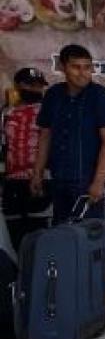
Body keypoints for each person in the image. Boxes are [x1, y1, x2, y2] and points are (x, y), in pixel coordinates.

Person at [31, 45, 105, 224]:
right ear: (63, 67)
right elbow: (45, 136)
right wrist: (37, 173)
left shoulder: (102, 97)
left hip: (87, 180)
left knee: (89, 234)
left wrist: (98, 182)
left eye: (87, 67)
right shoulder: (53, 95)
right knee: (62, 232)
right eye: (76, 67)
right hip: (59, 177)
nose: (83, 73)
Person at [1, 68, 52, 250]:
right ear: (18, 86)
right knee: (15, 234)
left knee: (40, 234)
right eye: (30, 85)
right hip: (12, 182)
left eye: (39, 86)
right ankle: (22, 276)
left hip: (40, 180)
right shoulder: (6, 113)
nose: (35, 89)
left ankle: (42, 276)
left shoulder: (49, 111)